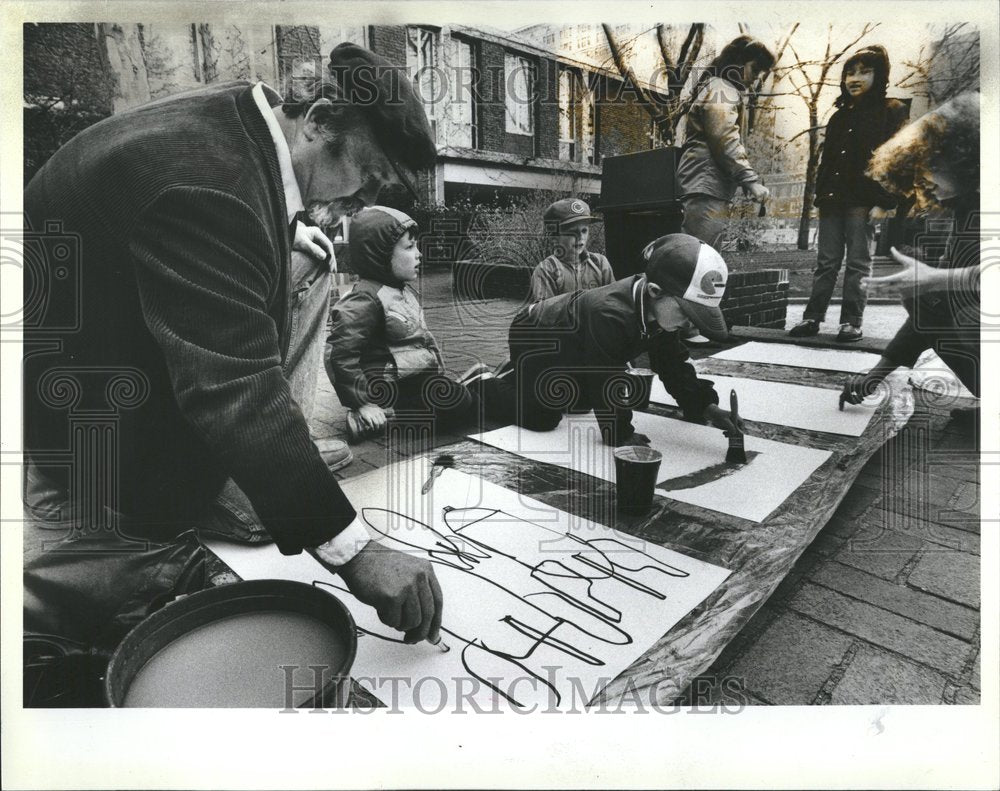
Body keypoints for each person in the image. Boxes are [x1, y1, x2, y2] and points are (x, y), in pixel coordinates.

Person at [24, 43, 445, 645]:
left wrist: (294, 227)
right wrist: (353, 550)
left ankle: (250, 476)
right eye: (368, 177)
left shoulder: (247, 119)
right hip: (92, 457)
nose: (362, 202)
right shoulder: (209, 186)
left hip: (115, 379)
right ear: (321, 120)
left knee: (310, 261)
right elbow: (233, 388)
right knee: (95, 647)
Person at [476, 233, 743, 446]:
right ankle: (482, 382)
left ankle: (518, 381)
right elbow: (606, 378)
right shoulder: (611, 314)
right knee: (543, 417)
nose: (689, 324)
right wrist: (619, 434)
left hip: (574, 341)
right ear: (655, 291)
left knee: (579, 402)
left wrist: (706, 407)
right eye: (687, 313)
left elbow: (672, 363)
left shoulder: (659, 310)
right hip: (536, 334)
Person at [839, 93, 980, 419]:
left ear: (966, 158)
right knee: (927, 299)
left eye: (931, 165)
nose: (923, 179)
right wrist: (874, 377)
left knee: (965, 313)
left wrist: (937, 278)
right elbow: (932, 311)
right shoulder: (966, 210)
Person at [326, 206, 481, 443]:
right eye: (409, 247)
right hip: (391, 387)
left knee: (457, 403)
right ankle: (367, 417)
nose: (418, 254)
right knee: (452, 406)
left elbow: (418, 338)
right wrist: (362, 401)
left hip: (409, 381)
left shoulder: (399, 288)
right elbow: (339, 352)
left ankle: (470, 387)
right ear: (380, 254)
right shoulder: (366, 298)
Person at [789, 45, 910, 343]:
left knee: (858, 263)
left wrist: (886, 203)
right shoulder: (838, 117)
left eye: (864, 72)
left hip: (864, 201)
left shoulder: (891, 111)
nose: (854, 78)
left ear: (879, 75)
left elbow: (900, 160)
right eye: (849, 72)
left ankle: (851, 322)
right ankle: (812, 318)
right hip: (832, 200)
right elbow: (827, 161)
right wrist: (820, 195)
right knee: (826, 262)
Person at [675, 35, 775, 251]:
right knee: (700, 259)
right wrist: (748, 179)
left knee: (703, 257)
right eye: (755, 70)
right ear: (737, 63)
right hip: (707, 185)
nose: (757, 79)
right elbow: (724, 136)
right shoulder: (722, 89)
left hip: (709, 184)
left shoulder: (722, 89)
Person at [529, 198, 615, 302]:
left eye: (584, 231)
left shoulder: (599, 263)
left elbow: (613, 302)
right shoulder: (546, 271)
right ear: (554, 237)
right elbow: (545, 314)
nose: (580, 237)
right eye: (572, 232)